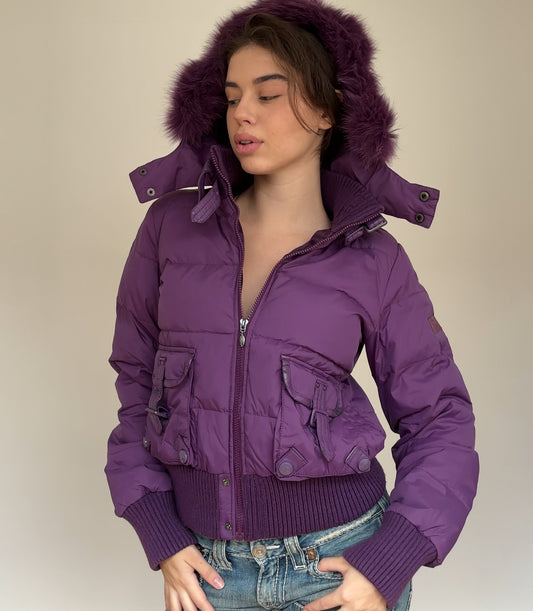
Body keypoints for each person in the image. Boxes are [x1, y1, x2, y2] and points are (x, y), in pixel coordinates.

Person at [105, 1, 479, 610]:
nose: (242, 112)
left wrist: (389, 561)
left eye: (268, 94)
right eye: (231, 97)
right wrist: (159, 530)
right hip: (207, 574)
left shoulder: (373, 258)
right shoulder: (171, 229)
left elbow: (439, 417)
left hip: (338, 564)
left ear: (327, 110)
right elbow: (136, 386)